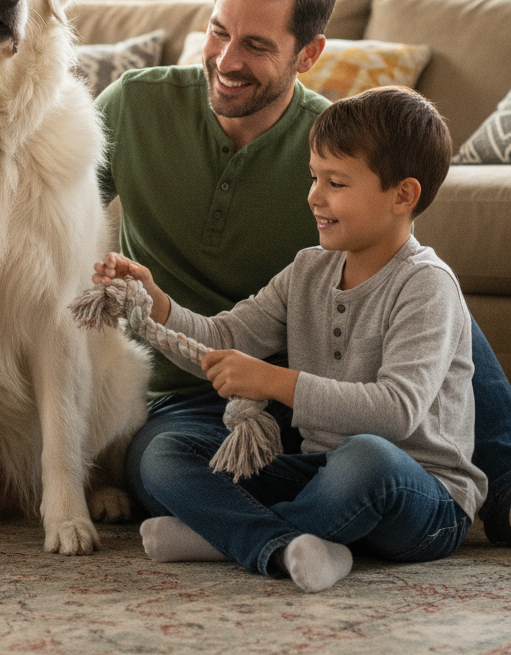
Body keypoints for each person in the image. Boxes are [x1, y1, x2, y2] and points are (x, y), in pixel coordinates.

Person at [96, 0, 511, 545]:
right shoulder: (133, 104)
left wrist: (275, 384)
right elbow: (42, 205)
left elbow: (399, 281)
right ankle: (279, 541)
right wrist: (139, 294)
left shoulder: (331, 145)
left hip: (312, 395)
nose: (226, 59)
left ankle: (500, 485)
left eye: (257, 45)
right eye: (218, 32)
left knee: (429, 290)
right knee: (156, 466)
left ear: (309, 52)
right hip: (190, 391)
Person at [95, 85, 486, 592]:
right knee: (163, 457)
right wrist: (156, 302)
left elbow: (397, 410)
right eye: (314, 177)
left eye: (336, 182)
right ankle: (281, 544)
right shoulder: (308, 270)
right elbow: (223, 337)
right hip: (319, 474)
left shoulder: (426, 284)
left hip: (420, 493)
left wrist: (274, 382)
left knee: (366, 458)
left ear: (403, 195)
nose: (314, 196)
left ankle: (226, 535)